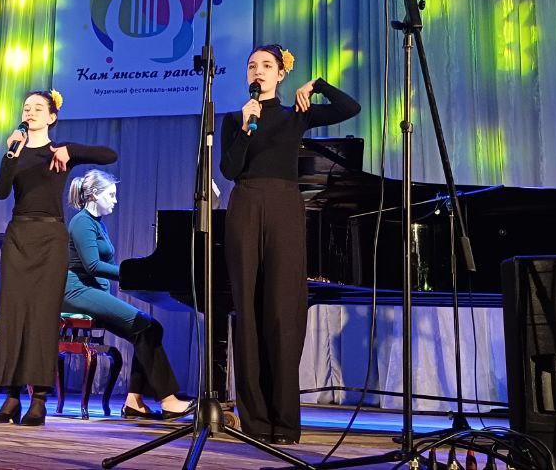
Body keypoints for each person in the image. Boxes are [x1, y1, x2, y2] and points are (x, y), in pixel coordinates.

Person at [219, 44, 360, 444]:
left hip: (284, 207)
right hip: (245, 205)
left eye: (267, 65)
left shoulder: (296, 114)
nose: (258, 71)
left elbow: (350, 108)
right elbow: (229, 169)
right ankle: (255, 421)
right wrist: (246, 127)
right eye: (252, 66)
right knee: (247, 311)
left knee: (283, 311)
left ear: (281, 74)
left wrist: (318, 85)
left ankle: (284, 421)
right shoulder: (235, 118)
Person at [0, 90, 116, 426]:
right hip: (19, 236)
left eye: (37, 108)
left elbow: (110, 155)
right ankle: (11, 397)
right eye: (26, 108)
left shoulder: (60, 151)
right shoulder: (14, 151)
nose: (29, 112)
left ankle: (40, 399)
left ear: (52, 117)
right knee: (14, 314)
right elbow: (1, 191)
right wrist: (11, 153)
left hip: (50, 237)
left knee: (43, 316)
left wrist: (70, 150)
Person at [62, 169, 191, 420]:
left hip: (92, 291)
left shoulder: (97, 223)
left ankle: (134, 401)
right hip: (77, 291)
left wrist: (138, 274)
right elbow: (92, 266)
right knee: (145, 325)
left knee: (151, 328)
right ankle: (168, 400)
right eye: (111, 194)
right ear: (94, 194)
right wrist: (132, 274)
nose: (115, 200)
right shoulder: (82, 222)